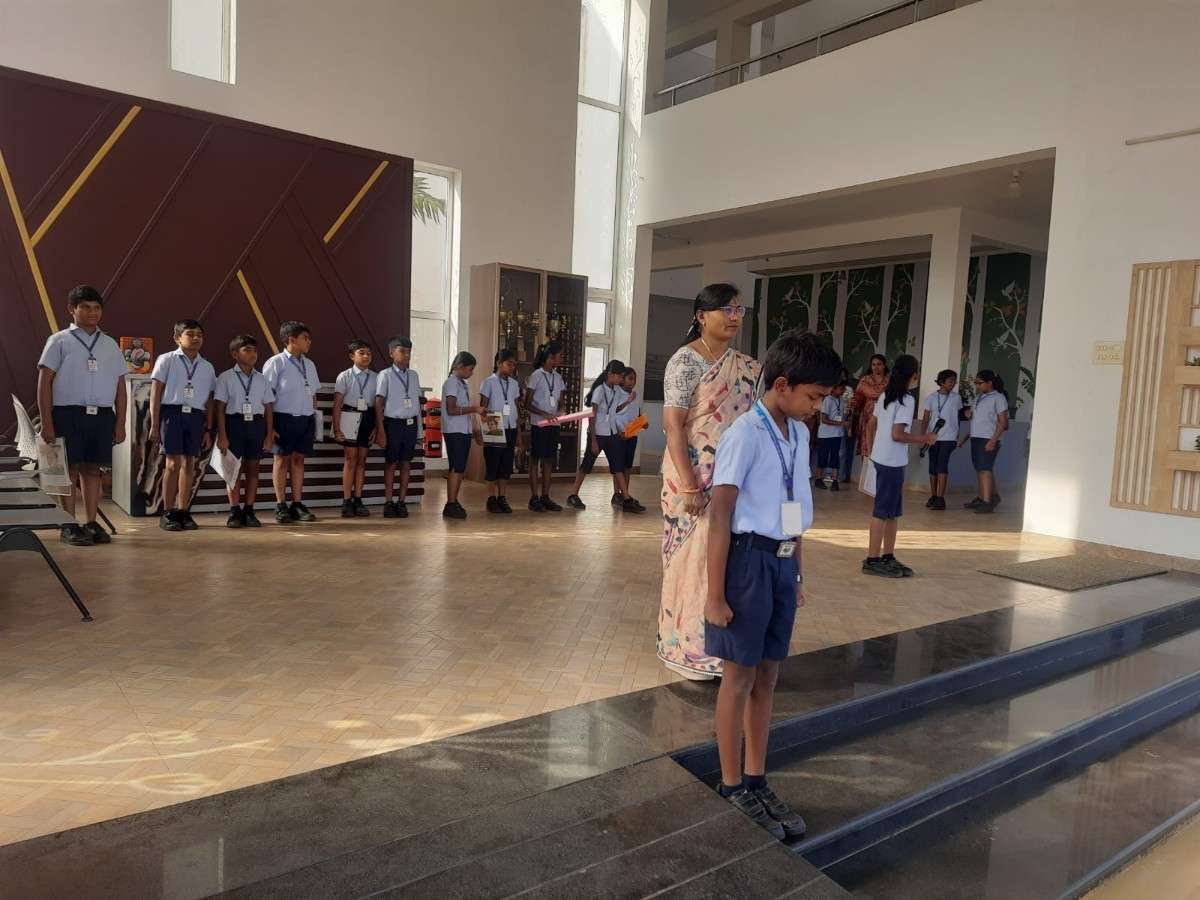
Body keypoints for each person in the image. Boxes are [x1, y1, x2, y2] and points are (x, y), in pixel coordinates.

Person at [704, 329, 842, 839]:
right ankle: (730, 784)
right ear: (782, 385)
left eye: (822, 398)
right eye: (813, 396)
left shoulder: (799, 435)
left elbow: (793, 508)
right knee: (738, 678)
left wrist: (797, 572)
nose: (817, 407)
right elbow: (720, 518)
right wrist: (714, 594)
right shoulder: (744, 434)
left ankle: (757, 778)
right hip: (746, 564)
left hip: (781, 563)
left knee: (768, 677)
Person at [658, 283, 761, 681]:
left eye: (739, 310)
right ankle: (685, 648)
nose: (734, 317)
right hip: (691, 479)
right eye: (726, 310)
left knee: (725, 560)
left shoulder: (746, 366)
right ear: (702, 316)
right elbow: (673, 425)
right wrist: (689, 485)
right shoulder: (685, 361)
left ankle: (720, 647)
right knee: (691, 561)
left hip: (732, 477)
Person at [35, 285, 128, 546]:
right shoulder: (59, 340)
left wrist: (121, 423)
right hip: (68, 413)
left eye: (97, 308)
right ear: (72, 309)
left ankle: (91, 522)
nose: (92, 312)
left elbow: (120, 387)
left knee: (93, 469)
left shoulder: (110, 344)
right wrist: (47, 421)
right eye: (85, 307)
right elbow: (44, 382)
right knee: (70, 469)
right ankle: (68, 524)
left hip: (101, 416)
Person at [862, 354, 937, 578]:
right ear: (913, 375)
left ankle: (888, 556)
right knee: (882, 512)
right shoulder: (906, 399)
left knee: (892, 512)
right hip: (891, 462)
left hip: (884, 459)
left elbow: (871, 424)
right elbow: (897, 434)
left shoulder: (886, 395)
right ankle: (872, 560)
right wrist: (924, 438)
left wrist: (871, 451)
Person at [149, 319, 216, 532]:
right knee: (172, 464)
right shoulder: (167, 359)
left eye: (200, 335)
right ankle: (168, 512)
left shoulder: (207, 366)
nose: (196, 338)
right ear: (177, 338)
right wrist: (154, 423)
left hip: (195, 416)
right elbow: (156, 392)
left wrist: (208, 428)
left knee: (190, 464)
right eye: (190, 334)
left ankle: (183, 510)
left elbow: (210, 400)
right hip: (172, 414)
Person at [568, 360, 646, 514]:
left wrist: (627, 403)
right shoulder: (599, 390)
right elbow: (592, 416)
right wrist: (594, 440)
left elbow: (614, 410)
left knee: (618, 466)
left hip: (611, 434)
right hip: (598, 433)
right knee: (587, 465)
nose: (621, 380)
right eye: (620, 377)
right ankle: (573, 494)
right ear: (611, 375)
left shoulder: (616, 390)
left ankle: (626, 498)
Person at [214, 334, 275, 528]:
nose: (253, 354)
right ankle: (234, 510)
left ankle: (249, 510)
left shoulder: (262, 379)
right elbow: (220, 409)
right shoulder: (225, 377)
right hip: (234, 424)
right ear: (235, 354)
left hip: (256, 425)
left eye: (255, 350)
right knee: (234, 469)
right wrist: (222, 435)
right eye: (247, 350)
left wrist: (269, 434)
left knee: (253, 468)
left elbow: (268, 408)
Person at [262, 321, 319, 524]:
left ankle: (297, 503)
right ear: (291, 339)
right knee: (281, 460)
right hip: (283, 418)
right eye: (305, 338)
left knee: (298, 460)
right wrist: (269, 427)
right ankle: (281, 505)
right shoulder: (276, 363)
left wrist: (314, 418)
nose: (309, 342)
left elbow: (313, 394)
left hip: (306, 418)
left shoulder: (309, 364)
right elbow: (266, 397)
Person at [374, 336, 422, 518]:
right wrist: (380, 430)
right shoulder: (385, 375)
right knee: (391, 463)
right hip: (392, 424)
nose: (406, 355)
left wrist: (419, 432)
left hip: (410, 424)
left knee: (406, 463)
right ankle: (388, 501)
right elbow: (379, 403)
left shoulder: (414, 375)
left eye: (409, 351)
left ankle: (402, 501)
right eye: (402, 351)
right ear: (391, 353)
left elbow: (417, 404)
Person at [332, 340, 378, 518]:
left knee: (362, 460)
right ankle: (346, 500)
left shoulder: (376, 377)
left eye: (369, 353)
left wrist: (376, 426)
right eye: (361, 353)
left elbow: (378, 405)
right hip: (349, 416)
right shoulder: (344, 376)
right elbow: (337, 404)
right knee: (350, 459)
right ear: (352, 356)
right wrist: (337, 428)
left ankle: (358, 499)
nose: (366, 356)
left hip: (368, 417)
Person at [440, 351, 483, 519]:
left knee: (460, 467)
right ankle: (450, 503)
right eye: (470, 369)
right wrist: (474, 409)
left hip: (463, 430)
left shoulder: (462, 384)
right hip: (454, 430)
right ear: (459, 366)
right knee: (456, 467)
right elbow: (451, 409)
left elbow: (464, 410)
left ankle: (454, 500)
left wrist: (475, 430)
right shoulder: (451, 383)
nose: (471, 373)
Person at [525, 340, 566, 512]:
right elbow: (527, 403)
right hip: (539, 424)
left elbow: (561, 401)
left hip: (554, 425)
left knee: (549, 459)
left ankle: (545, 496)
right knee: (535, 459)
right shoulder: (536, 376)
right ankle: (534, 497)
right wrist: (544, 414)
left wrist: (561, 411)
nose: (562, 358)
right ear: (551, 357)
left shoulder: (558, 377)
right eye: (560, 355)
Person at [961, 369, 1009, 514]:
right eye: (975, 383)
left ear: (990, 383)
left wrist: (993, 441)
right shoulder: (979, 397)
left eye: (979, 383)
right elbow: (977, 419)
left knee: (985, 469)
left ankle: (987, 502)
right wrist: (968, 414)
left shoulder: (998, 398)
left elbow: (1003, 423)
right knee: (980, 469)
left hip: (988, 438)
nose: (977, 386)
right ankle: (983, 497)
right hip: (976, 437)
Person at [480, 349, 521, 514]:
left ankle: (502, 497)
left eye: (514, 365)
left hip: (511, 426)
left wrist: (519, 433)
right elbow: (483, 408)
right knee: (493, 463)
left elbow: (516, 408)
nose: (512, 367)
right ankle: (491, 497)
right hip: (494, 425)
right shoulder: (488, 382)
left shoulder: (514, 384)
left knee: (506, 464)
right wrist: (484, 431)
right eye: (509, 364)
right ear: (499, 363)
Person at [920, 369, 962, 510]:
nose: (953, 383)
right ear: (942, 382)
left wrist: (957, 436)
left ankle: (940, 498)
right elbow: (926, 419)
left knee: (942, 466)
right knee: (933, 467)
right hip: (933, 437)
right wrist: (923, 436)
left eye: (954, 381)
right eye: (950, 381)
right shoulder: (931, 398)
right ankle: (933, 496)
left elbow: (957, 418)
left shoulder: (956, 398)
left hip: (949, 438)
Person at [851, 354, 889, 483]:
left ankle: (880, 481)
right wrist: (851, 404)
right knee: (867, 448)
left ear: (884, 365)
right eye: (873, 364)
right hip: (868, 419)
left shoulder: (890, 381)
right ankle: (867, 481)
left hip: (884, 419)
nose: (876, 367)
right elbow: (857, 399)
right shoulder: (865, 380)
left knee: (883, 449)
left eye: (879, 364)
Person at [814, 382, 847, 491]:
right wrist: (840, 423)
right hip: (825, 435)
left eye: (843, 389)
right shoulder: (827, 400)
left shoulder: (841, 400)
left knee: (835, 457)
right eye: (841, 388)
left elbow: (841, 415)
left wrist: (844, 420)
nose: (843, 391)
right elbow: (824, 419)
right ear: (834, 389)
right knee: (823, 457)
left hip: (837, 434)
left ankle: (835, 481)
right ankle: (818, 479)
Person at [616, 367, 641, 497]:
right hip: (620, 433)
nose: (632, 382)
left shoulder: (636, 394)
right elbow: (614, 411)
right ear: (622, 379)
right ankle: (616, 493)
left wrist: (642, 421)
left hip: (632, 433)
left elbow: (636, 412)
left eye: (634, 379)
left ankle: (626, 493)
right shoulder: (617, 393)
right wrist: (627, 401)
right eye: (630, 378)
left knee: (628, 465)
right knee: (618, 465)